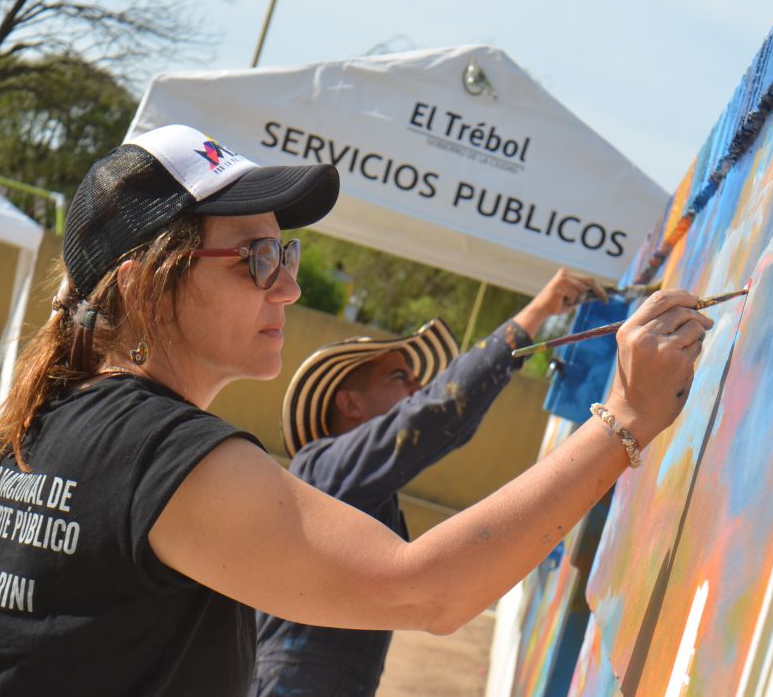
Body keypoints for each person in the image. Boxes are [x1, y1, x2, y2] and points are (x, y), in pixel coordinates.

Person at [0, 124, 711, 697]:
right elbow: (425, 590)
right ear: (142, 284)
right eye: (257, 258)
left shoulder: (20, 436)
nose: (289, 285)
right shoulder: (162, 452)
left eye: (287, 252)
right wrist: (624, 420)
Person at [255, 269, 607, 695]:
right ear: (350, 403)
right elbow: (433, 413)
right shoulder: (320, 470)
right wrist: (534, 315)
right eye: (399, 377)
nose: (418, 386)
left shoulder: (356, 489)